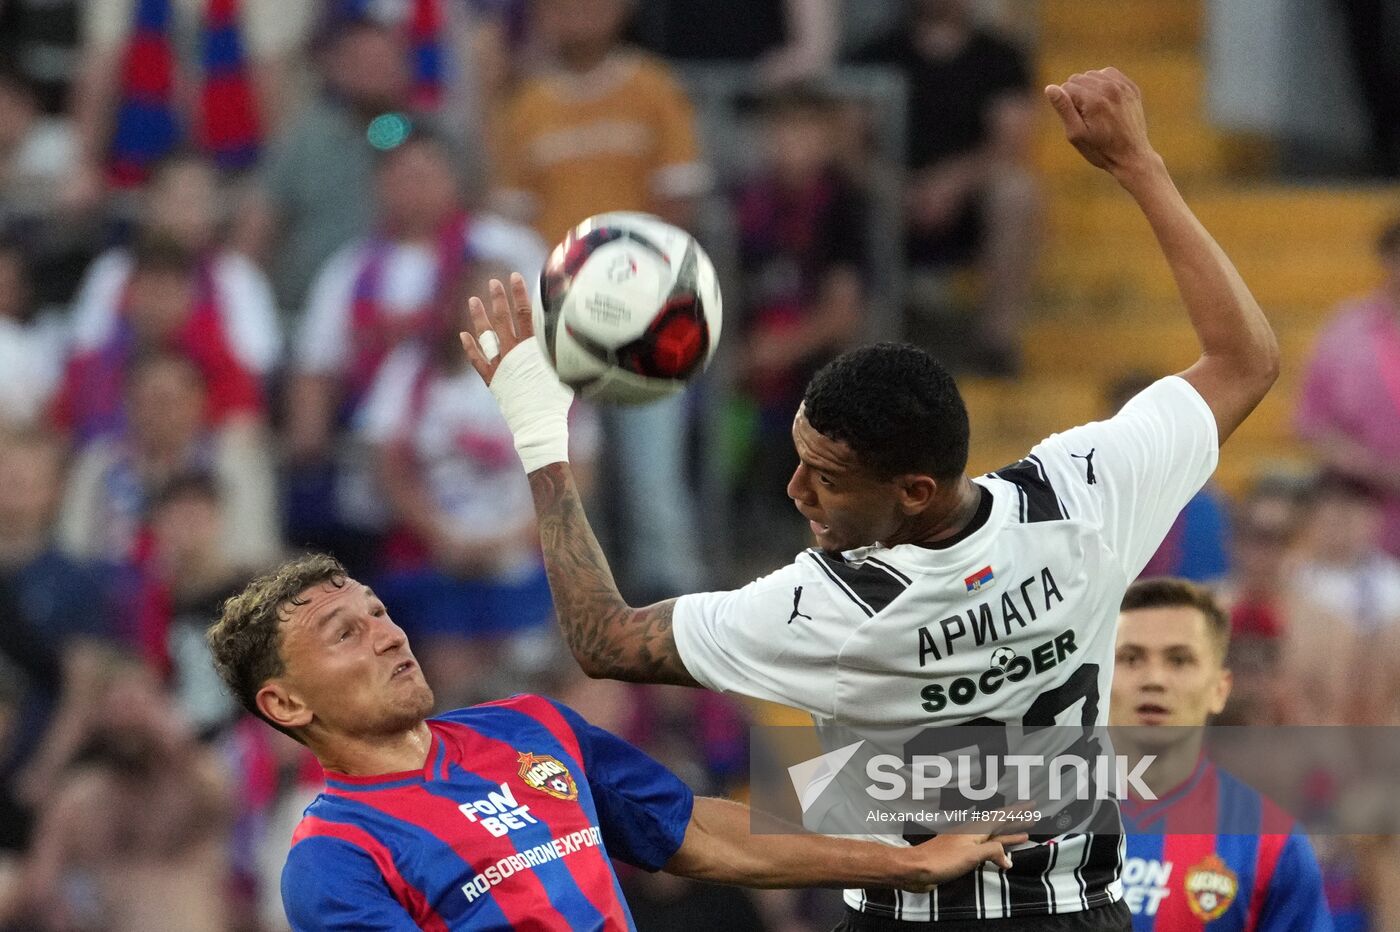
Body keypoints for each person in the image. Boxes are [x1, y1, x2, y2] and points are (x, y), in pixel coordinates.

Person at [463, 67, 1280, 927]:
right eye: (800, 457)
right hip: (1086, 908)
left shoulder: (829, 610)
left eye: (826, 478)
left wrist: (540, 437)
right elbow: (1246, 361)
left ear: (915, 490)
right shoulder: (1080, 495)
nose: (795, 489)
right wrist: (1139, 164)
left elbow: (602, 638)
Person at [204, 553, 1027, 930]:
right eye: (345, 633)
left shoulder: (529, 725)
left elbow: (695, 831)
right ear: (284, 701)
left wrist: (907, 860)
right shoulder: (332, 859)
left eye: (380, 612)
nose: (388, 635)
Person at [1110, 577, 1332, 931]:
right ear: (1098, 675)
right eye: (1130, 658)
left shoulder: (1271, 842)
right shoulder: (1032, 818)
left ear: (1219, 689)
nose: (1154, 678)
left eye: (1179, 660)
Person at [854, 0, 1039, 375]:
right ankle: (861, 350)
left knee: (1018, 193)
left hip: (970, 203)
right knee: (843, 196)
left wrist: (952, 184)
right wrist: (895, 187)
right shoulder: (873, 53)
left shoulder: (1001, 57)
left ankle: (995, 344)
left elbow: (1012, 142)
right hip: (889, 199)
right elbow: (847, 144)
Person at [1295, 216, 1400, 560]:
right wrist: (1372, 467)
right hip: (1361, 513)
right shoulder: (1346, 331)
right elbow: (1312, 422)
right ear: (1386, 258)